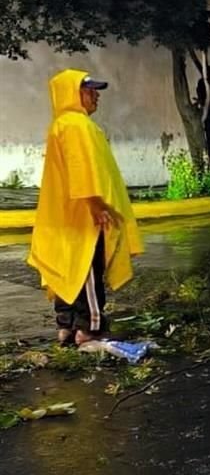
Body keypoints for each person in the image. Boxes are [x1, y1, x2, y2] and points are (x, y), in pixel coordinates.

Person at [28, 69, 143, 346]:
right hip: (84, 216)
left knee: (68, 269)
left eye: (94, 90)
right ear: (71, 93)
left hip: (67, 216)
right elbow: (80, 170)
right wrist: (95, 204)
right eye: (89, 90)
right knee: (87, 271)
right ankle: (90, 328)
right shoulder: (76, 125)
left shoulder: (62, 124)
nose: (96, 95)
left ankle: (66, 327)